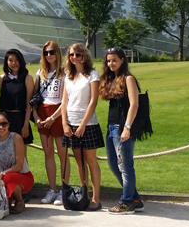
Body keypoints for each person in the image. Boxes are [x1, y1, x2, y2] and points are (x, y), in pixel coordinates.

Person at [99, 47, 145, 214]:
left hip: (123, 127)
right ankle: (135, 199)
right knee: (113, 164)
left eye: (114, 60)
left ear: (122, 60)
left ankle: (127, 202)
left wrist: (127, 128)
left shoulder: (128, 78)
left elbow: (134, 104)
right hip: (111, 127)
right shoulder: (113, 79)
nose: (111, 63)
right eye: (109, 61)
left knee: (125, 166)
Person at [61, 43, 103, 211]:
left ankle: (96, 198)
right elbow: (64, 101)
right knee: (79, 161)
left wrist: (84, 124)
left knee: (91, 161)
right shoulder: (68, 76)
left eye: (78, 54)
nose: (75, 57)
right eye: (72, 55)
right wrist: (64, 123)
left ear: (84, 56)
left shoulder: (92, 75)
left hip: (88, 124)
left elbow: (93, 101)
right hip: (70, 123)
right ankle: (83, 193)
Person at [33, 41, 68, 205]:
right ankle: (52, 190)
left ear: (57, 53)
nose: (49, 55)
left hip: (58, 114)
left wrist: (53, 117)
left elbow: (66, 99)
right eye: (46, 52)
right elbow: (34, 98)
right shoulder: (40, 73)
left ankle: (64, 189)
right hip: (43, 112)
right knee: (48, 154)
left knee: (62, 155)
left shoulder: (65, 73)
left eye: (52, 52)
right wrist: (36, 116)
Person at [0, 112, 34, 215]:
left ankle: (19, 201)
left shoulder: (16, 138)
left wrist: (2, 174)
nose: (1, 127)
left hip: (22, 177)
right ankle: (7, 200)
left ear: (9, 124)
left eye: (4, 124)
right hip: (3, 179)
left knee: (9, 178)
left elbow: (19, 165)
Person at [0, 49, 34, 145]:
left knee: (20, 154)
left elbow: (29, 104)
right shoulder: (2, 78)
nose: (14, 63)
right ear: (6, 62)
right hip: (5, 119)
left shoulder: (27, 78)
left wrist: (26, 125)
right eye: (10, 60)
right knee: (4, 151)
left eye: (16, 60)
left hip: (20, 119)